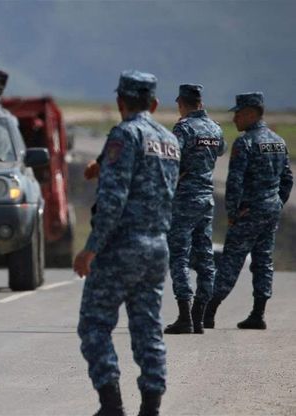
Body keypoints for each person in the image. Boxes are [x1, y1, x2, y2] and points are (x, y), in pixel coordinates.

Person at [73, 70, 179, 416]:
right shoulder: (169, 140)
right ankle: (151, 406)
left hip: (122, 246)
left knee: (94, 323)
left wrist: (91, 248)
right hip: (157, 247)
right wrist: (101, 164)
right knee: (148, 328)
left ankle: (111, 405)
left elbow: (114, 200)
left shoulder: (125, 134)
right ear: (155, 103)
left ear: (120, 101)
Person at [204, 92, 292, 330]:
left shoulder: (245, 143)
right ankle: (258, 313)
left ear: (252, 113)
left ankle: (208, 311)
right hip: (270, 210)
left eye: (239, 114)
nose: (235, 119)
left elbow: (234, 183)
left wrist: (233, 214)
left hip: (249, 211)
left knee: (231, 260)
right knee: (264, 260)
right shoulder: (278, 141)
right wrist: (276, 202)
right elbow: (288, 179)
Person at [164, 84, 226, 335]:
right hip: (206, 199)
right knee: (205, 257)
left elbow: (171, 158)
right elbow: (219, 150)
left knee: (179, 255)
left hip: (184, 199)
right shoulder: (215, 128)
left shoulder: (184, 128)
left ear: (182, 103)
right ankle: (198, 317)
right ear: (200, 102)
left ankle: (184, 316)